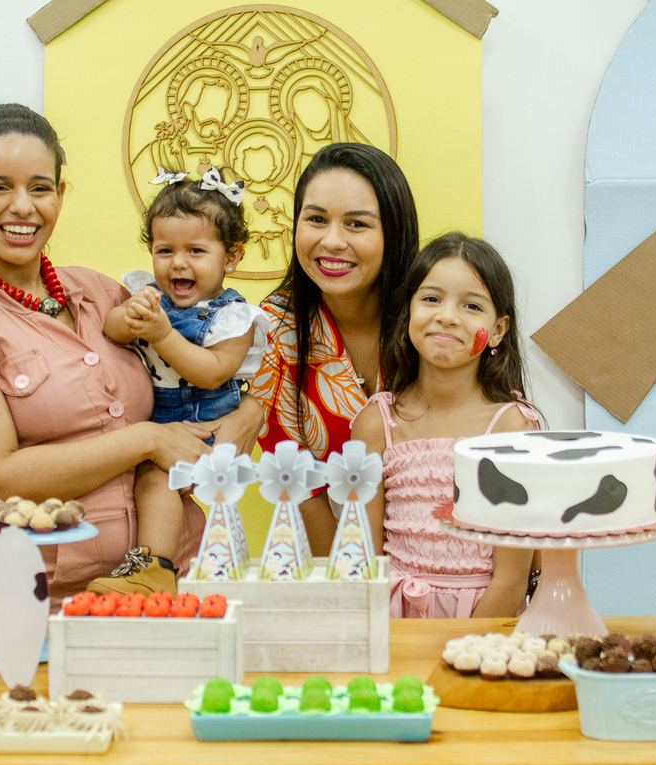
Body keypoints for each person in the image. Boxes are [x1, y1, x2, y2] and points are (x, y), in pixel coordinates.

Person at [0, 104, 211, 604]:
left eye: (39, 188)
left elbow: (195, 376)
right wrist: (146, 440)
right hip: (59, 599)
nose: (23, 207)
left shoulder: (103, 293)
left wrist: (248, 411)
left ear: (60, 195)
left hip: (185, 574)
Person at [221, 142, 420, 555]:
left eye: (357, 224)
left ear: (394, 232)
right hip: (344, 562)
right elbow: (299, 483)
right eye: (316, 219)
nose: (331, 241)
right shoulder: (274, 328)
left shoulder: (431, 318)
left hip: (451, 563)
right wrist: (356, 580)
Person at [88, 169, 269, 595]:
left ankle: (160, 567)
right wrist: (129, 316)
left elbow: (212, 370)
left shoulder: (234, 317)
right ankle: (155, 568)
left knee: (159, 479)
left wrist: (161, 334)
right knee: (145, 481)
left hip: (207, 427)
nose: (178, 263)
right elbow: (111, 329)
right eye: (164, 250)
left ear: (232, 256)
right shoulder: (151, 296)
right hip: (160, 423)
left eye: (196, 250)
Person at [351, 232, 540, 619]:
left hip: (485, 628)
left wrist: (458, 645)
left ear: (498, 329)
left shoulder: (512, 429)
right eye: (431, 299)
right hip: (394, 622)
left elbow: (511, 582)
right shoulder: (376, 423)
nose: (447, 316)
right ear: (408, 311)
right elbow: (364, 563)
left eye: (472, 306)